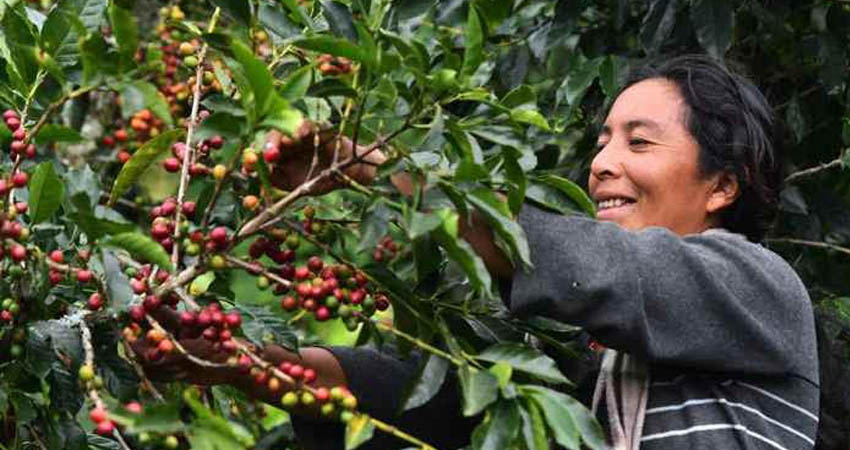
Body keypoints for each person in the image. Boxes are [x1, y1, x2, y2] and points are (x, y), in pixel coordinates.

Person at [135, 54, 819, 449]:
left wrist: (381, 170)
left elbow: (600, 267)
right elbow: (439, 406)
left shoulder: (761, 288)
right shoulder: (605, 363)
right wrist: (244, 365)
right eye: (603, 140)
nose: (603, 163)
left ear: (723, 185)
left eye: (638, 143)